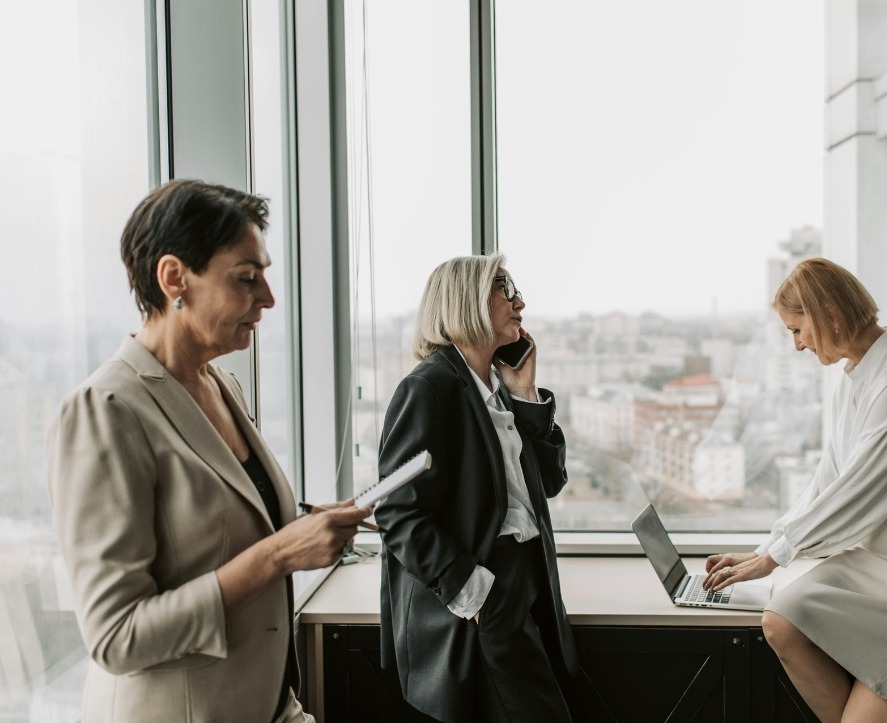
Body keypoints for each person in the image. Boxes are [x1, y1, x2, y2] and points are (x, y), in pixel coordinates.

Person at [47, 179, 373, 723]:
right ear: (174, 277)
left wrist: (301, 525)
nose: (268, 299)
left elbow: (213, 532)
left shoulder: (223, 387)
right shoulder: (105, 410)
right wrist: (279, 555)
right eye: (247, 279)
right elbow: (117, 637)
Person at [704, 257, 887, 722]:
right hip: (880, 560)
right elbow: (827, 481)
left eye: (796, 329)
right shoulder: (859, 378)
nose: (796, 345)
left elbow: (855, 496)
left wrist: (775, 557)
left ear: (828, 313)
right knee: (781, 622)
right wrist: (765, 548)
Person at [374, 254, 578, 722]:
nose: (520, 302)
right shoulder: (429, 388)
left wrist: (526, 394)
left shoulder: (496, 387)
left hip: (523, 583)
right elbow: (398, 512)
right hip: (484, 594)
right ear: (465, 301)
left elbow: (550, 482)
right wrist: (476, 592)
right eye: (504, 289)